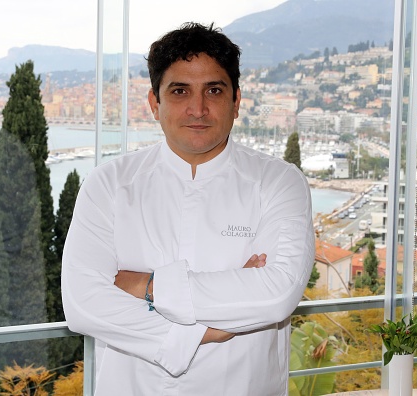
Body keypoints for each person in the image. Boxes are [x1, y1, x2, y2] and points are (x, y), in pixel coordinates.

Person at [62, 22, 315, 396]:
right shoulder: (109, 184)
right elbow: (83, 303)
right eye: (180, 91)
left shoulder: (280, 182)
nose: (198, 108)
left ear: (236, 101)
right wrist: (201, 333)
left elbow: (276, 295)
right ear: (154, 103)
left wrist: (145, 286)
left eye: (214, 89)